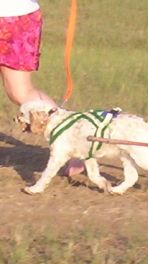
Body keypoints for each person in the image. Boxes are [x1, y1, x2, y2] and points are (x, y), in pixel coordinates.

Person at [0, 0, 84, 176]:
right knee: (19, 92)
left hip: (13, 16)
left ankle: (75, 146)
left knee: (20, 92)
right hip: (16, 15)